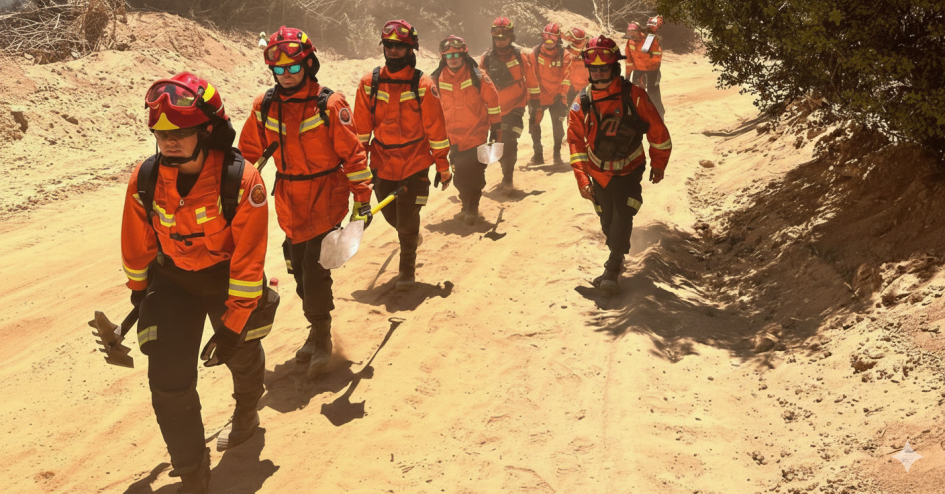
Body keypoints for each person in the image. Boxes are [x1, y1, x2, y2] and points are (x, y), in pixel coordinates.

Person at [122, 72, 274, 493]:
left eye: (181, 132)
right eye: (161, 133)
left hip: (226, 280)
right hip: (173, 282)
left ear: (209, 130)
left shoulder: (242, 182)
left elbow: (248, 262)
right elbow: (137, 245)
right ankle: (193, 471)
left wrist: (233, 326)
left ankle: (246, 413)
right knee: (168, 384)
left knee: (241, 356)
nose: (169, 141)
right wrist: (140, 293)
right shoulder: (145, 178)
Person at [238, 26, 373, 378]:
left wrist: (362, 200)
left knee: (314, 271)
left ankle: (323, 337)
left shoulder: (330, 104)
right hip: (288, 200)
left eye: (293, 68)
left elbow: (354, 155)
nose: (286, 76)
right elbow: (247, 157)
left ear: (309, 64)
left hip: (326, 197)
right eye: (279, 70)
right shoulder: (263, 106)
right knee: (298, 271)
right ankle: (316, 328)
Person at [567, 36, 672, 297]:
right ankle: (615, 256)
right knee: (607, 220)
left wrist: (659, 165)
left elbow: (658, 133)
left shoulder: (635, 95)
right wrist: (582, 180)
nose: (599, 72)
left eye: (604, 67)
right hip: (598, 174)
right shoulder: (582, 103)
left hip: (628, 170)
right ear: (588, 70)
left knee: (623, 215)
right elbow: (575, 145)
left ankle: (613, 266)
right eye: (595, 68)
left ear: (615, 67)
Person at [354, 19, 451, 291]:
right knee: (393, 219)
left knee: (407, 221)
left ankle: (407, 270)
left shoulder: (423, 84)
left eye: (399, 46)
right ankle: (410, 236)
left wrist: (443, 165)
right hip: (382, 165)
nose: (393, 51)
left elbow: (437, 129)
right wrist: (358, 171)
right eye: (389, 45)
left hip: (415, 163)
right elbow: (360, 134)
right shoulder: (368, 83)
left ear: (411, 49)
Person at [431, 35, 502, 225]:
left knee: (476, 173)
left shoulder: (478, 76)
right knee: (459, 175)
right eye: (448, 55)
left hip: (476, 134)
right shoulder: (436, 79)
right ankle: (465, 202)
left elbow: (493, 102)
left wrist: (496, 128)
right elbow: (430, 108)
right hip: (452, 137)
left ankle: (473, 206)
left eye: (456, 54)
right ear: (443, 57)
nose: (453, 58)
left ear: (463, 54)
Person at [479, 16, 540, 189]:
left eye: (504, 37)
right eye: (497, 38)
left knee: (510, 140)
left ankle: (508, 177)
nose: (500, 41)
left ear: (511, 37)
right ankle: (492, 170)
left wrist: (536, 106)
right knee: (495, 142)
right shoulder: (486, 59)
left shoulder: (521, 56)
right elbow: (479, 85)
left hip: (516, 106)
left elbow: (531, 80)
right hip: (493, 109)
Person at [527, 22, 570, 165]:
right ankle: (538, 154)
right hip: (538, 96)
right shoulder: (535, 52)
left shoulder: (565, 54)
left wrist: (563, 95)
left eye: (553, 37)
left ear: (559, 38)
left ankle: (557, 154)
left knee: (558, 128)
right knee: (534, 125)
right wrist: (530, 96)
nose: (549, 40)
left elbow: (567, 76)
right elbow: (528, 73)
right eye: (546, 36)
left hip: (557, 97)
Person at [624, 18, 665, 118]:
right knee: (636, 94)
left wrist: (650, 56)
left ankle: (659, 115)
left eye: (634, 35)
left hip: (652, 71)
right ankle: (637, 116)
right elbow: (628, 59)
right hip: (638, 71)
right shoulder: (630, 42)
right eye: (630, 35)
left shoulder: (649, 39)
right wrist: (628, 74)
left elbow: (658, 56)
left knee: (653, 94)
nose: (632, 37)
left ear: (639, 32)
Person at [562, 27, 590, 104]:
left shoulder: (589, 50)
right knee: (571, 110)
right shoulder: (567, 49)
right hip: (571, 86)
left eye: (572, 37)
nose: (570, 39)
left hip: (585, 87)